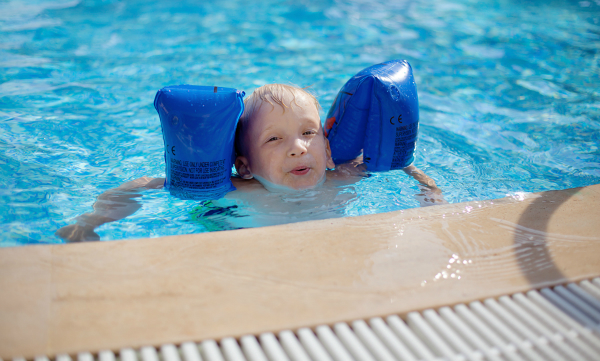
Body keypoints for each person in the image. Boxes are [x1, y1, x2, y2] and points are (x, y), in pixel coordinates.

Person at [57, 84, 445, 242]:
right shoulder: (240, 191)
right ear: (244, 166)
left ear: (328, 149)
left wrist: (430, 193)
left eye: (308, 133)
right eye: (274, 139)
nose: (298, 148)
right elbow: (145, 184)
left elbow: (399, 164)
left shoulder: (342, 175)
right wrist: (89, 223)